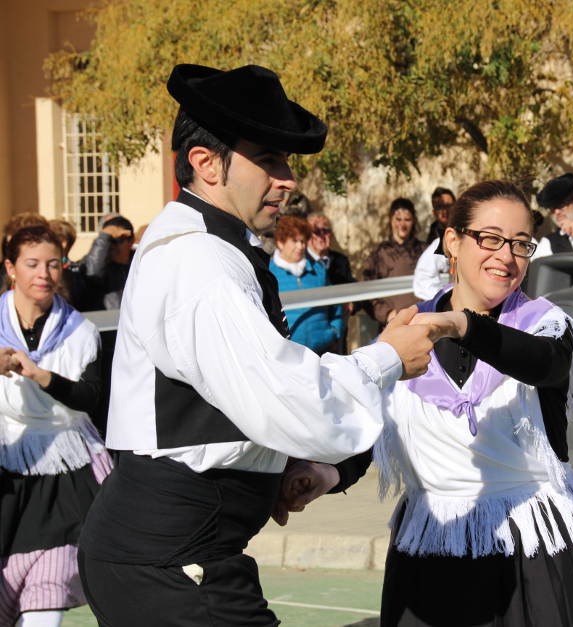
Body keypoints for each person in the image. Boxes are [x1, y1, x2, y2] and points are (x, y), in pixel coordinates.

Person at [76, 63, 438, 627]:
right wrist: (388, 355)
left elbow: (236, 399)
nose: (288, 178)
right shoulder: (197, 259)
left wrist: (286, 464)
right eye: (268, 159)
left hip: (181, 550)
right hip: (170, 558)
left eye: (286, 161)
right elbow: (285, 393)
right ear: (204, 163)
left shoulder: (211, 248)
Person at [343, 180, 573, 625]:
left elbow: (543, 365)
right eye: (490, 238)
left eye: (521, 244)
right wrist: (322, 473)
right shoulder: (409, 329)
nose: (505, 256)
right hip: (431, 553)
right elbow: (374, 425)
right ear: (452, 242)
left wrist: (463, 325)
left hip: (533, 557)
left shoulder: (546, 324)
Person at [0, 225, 111, 627]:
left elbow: (90, 399)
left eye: (53, 263)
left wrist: (40, 375)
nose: (43, 273)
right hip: (8, 474)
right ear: (11, 268)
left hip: (68, 473)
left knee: (48, 593)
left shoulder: (81, 333)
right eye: (32, 264)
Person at [269, 215, 344, 355]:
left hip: (321, 353)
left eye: (303, 241)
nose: (301, 246)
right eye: (295, 241)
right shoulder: (268, 274)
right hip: (285, 356)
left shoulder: (318, 270)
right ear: (280, 242)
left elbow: (336, 304)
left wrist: (333, 332)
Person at [362, 197, 424, 326]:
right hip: (393, 324)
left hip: (422, 320)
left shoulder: (424, 251)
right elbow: (366, 290)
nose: (402, 224)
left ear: (413, 221)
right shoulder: (379, 254)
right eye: (398, 219)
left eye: (407, 219)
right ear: (390, 219)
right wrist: (387, 314)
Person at [75, 215, 135, 310]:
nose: (112, 245)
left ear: (131, 241)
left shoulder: (140, 264)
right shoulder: (98, 266)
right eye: (109, 240)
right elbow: (91, 273)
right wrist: (105, 236)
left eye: (117, 240)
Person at [306, 212, 354, 287]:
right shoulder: (301, 261)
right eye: (317, 231)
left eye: (325, 231)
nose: (322, 236)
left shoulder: (341, 261)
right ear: (307, 236)